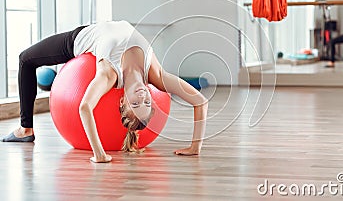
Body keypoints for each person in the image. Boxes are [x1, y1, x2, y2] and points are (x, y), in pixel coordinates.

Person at [1, 20, 208, 163]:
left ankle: (25, 129)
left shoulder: (109, 74)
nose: (143, 97)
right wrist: (195, 147)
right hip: (100, 26)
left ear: (122, 101)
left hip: (81, 39)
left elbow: (84, 107)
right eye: (147, 104)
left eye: (135, 104)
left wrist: (98, 154)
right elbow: (200, 102)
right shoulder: (157, 76)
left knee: (25, 60)